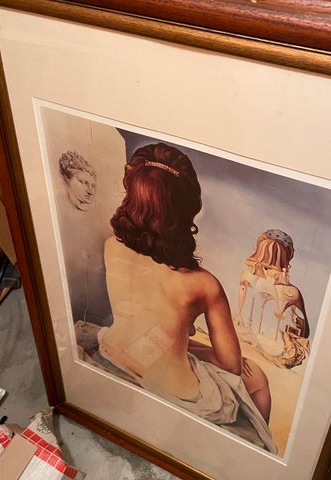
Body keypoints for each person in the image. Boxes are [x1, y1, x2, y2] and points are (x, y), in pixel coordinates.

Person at [97, 143, 276, 452]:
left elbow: (145, 316)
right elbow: (231, 366)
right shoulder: (204, 284)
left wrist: (177, 339)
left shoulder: (111, 246)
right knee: (256, 376)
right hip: (176, 390)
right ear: (186, 211)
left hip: (113, 352)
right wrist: (188, 343)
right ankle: (247, 455)